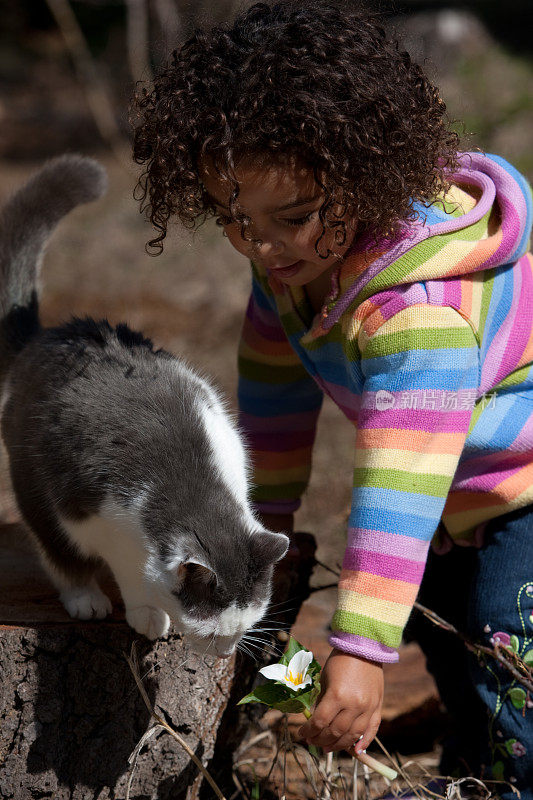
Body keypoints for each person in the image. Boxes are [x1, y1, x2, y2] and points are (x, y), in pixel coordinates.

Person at [132, 2, 533, 796]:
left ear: (363, 175)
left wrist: (357, 650)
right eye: (235, 219)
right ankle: (474, 761)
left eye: (292, 218)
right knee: (446, 645)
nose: (265, 247)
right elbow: (274, 396)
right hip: (446, 493)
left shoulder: (415, 315)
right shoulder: (296, 264)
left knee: (506, 663)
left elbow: (397, 481)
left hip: (516, 492)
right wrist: (261, 530)